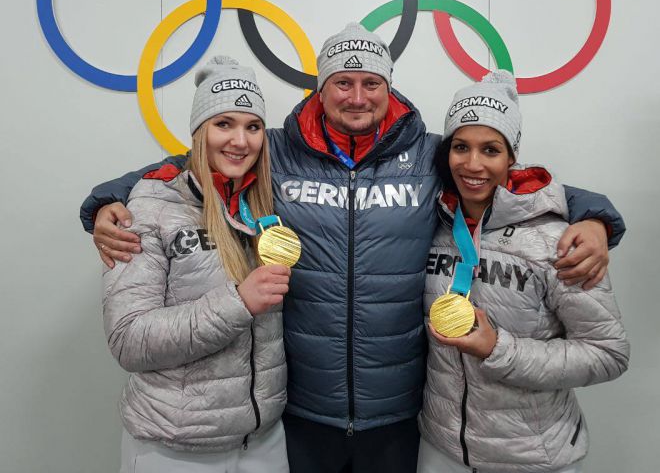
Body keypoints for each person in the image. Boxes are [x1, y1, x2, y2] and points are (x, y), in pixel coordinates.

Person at [82, 24, 625, 473]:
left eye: (372, 82)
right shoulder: (275, 150)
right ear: (321, 88)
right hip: (299, 408)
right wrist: (106, 201)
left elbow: (509, 183)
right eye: (343, 82)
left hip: (398, 412)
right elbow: (189, 167)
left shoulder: (430, 155)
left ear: (390, 87)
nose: (358, 96)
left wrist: (596, 216)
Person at [418, 70, 629, 473]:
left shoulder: (558, 241)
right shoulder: (433, 224)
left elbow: (609, 353)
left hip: (532, 457)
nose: (473, 164)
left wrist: (498, 349)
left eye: (491, 150)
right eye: (461, 147)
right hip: (441, 446)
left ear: (513, 157)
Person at [103, 56, 290, 472]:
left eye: (253, 126)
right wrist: (237, 303)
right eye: (224, 124)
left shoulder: (268, 206)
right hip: (175, 447)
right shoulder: (151, 207)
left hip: (263, 441)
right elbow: (128, 339)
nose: (240, 141)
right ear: (199, 132)